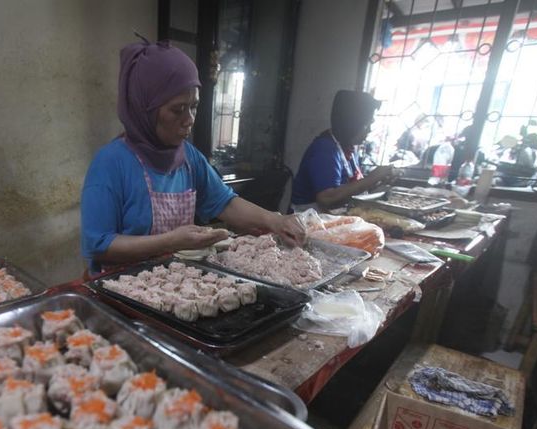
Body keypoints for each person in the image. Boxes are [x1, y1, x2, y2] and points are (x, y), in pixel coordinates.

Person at [80, 39, 305, 275]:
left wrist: (275, 221)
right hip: (121, 291)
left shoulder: (188, 158)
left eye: (194, 106)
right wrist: (170, 241)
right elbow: (98, 245)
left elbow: (225, 203)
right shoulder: (110, 163)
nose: (189, 119)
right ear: (144, 108)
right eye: (178, 109)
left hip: (176, 283)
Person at [290, 90, 396, 211]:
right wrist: (371, 178)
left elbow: (352, 189)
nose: (370, 130)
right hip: (307, 219)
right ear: (351, 123)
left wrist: (378, 180)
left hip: (332, 216)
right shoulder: (325, 149)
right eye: (366, 125)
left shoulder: (349, 147)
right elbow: (327, 199)